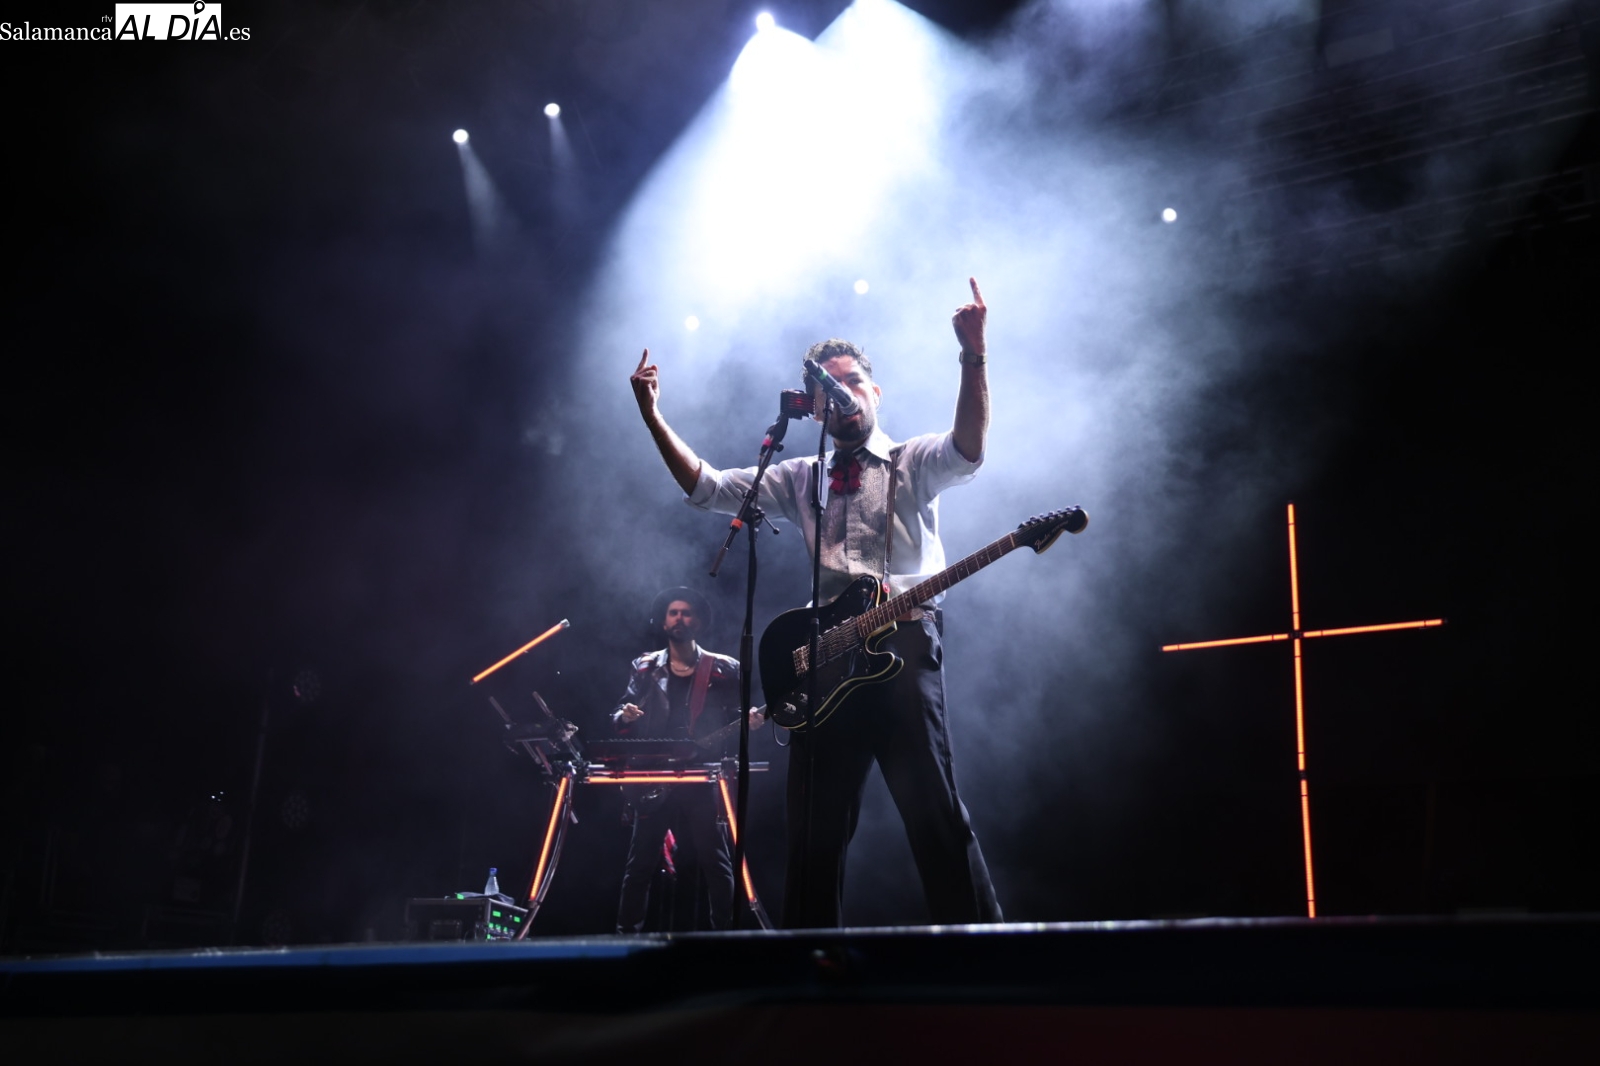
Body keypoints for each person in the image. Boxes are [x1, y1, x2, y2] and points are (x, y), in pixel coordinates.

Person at [627, 277, 1002, 928]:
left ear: (874, 391)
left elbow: (968, 446)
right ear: (814, 406)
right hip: (826, 661)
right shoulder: (801, 476)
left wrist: (973, 354)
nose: (843, 395)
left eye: (853, 381)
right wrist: (653, 417)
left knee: (935, 815)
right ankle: (808, 972)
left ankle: (985, 955)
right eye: (829, 388)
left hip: (903, 644)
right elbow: (712, 487)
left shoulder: (914, 460)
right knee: (813, 834)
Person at [609, 586, 762, 933]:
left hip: (701, 775)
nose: (680, 618)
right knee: (640, 864)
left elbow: (736, 716)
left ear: (698, 621)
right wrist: (626, 716)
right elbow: (618, 711)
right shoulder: (645, 666)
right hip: (655, 775)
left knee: (717, 860)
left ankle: (727, 935)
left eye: (687, 612)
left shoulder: (724, 668)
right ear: (663, 622)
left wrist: (749, 719)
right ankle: (624, 937)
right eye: (674, 613)